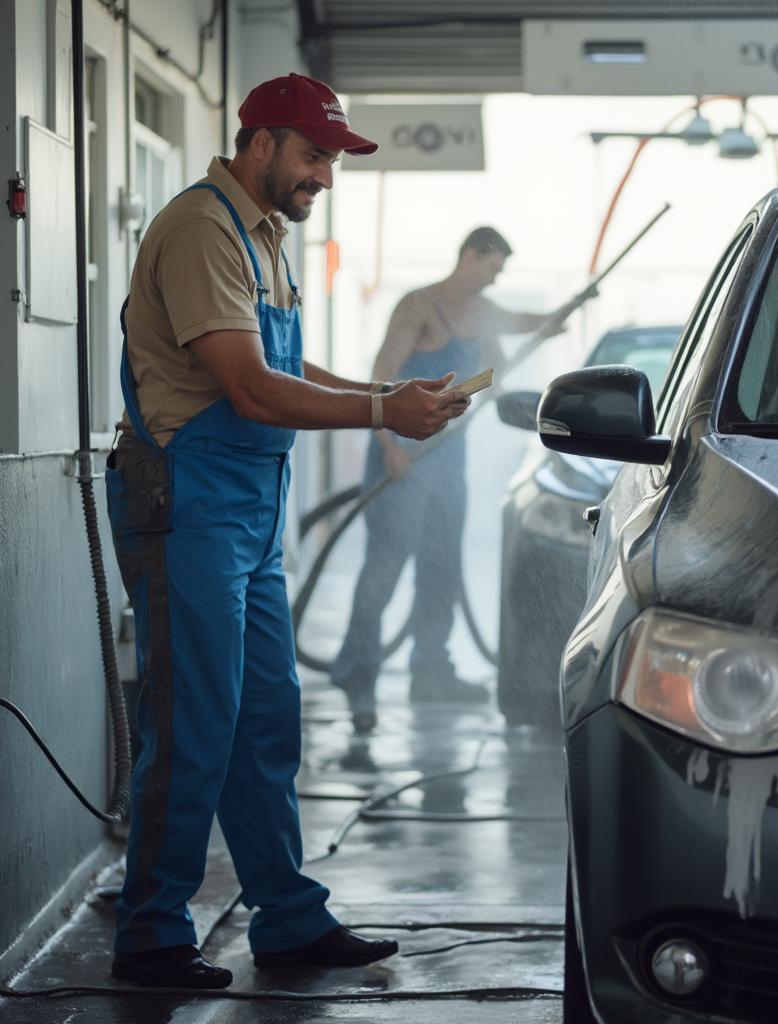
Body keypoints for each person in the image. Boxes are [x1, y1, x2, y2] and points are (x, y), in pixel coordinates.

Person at [105, 72, 469, 990]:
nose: (325, 178)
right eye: (314, 156)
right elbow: (251, 387)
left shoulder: (263, 235)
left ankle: (288, 919)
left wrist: (391, 396)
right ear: (259, 143)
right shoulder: (199, 229)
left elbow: (282, 363)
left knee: (267, 718)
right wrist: (386, 416)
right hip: (189, 501)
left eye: (333, 160)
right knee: (193, 721)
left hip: (249, 506)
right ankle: (151, 935)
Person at [330, 228, 580, 734]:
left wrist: (551, 325)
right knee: (384, 568)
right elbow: (380, 378)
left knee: (441, 565)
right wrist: (389, 448)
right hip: (404, 457)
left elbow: (494, 367)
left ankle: (432, 671)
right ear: (469, 256)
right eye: (491, 268)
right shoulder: (418, 307)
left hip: (448, 461)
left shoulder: (482, 317)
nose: (494, 279)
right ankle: (358, 677)